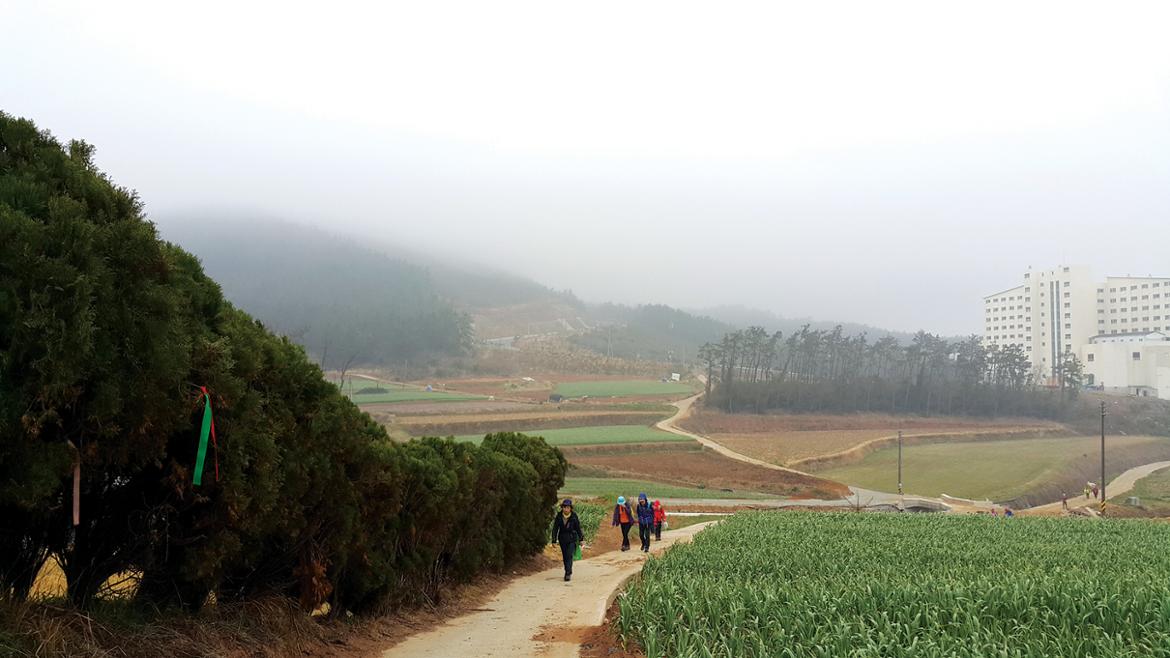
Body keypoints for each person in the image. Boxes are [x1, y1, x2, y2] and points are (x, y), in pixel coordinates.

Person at [551, 498, 584, 582]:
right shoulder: (559, 516)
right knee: (565, 556)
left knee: (569, 555)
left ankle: (568, 573)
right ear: (562, 508)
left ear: (570, 508)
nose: (566, 509)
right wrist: (554, 540)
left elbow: (578, 528)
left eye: (568, 507)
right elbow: (555, 528)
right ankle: (567, 570)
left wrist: (581, 539)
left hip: (572, 538)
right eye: (564, 507)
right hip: (562, 538)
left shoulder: (574, 516)